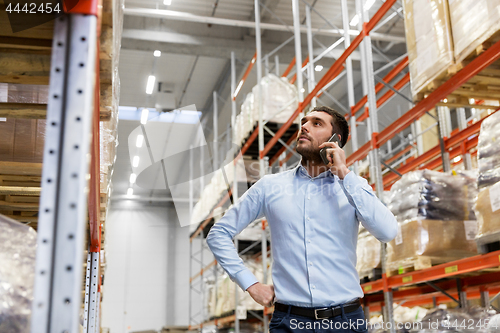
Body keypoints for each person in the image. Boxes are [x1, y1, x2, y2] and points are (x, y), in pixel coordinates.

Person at [206, 106, 397, 332]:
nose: (304, 127)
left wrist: (344, 173)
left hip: (346, 321)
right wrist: (251, 284)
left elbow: (387, 232)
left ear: (335, 140)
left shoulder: (353, 187)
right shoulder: (270, 187)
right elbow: (218, 234)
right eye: (304, 122)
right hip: (289, 322)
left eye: (317, 123)